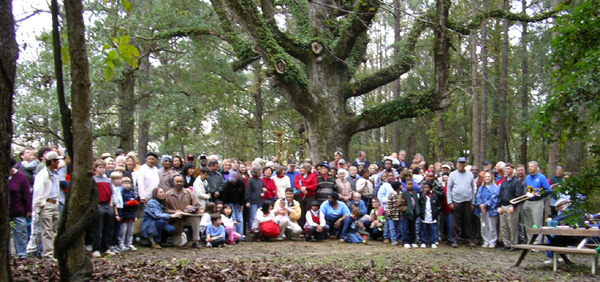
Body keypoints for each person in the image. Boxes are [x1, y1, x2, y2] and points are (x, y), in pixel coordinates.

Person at [164, 175, 202, 248]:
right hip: (175, 220)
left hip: (187, 217)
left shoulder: (188, 192)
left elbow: (197, 205)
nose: (179, 183)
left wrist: (191, 208)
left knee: (196, 218)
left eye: (181, 181)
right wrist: (174, 212)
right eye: (177, 181)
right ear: (173, 182)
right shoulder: (168, 194)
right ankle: (183, 234)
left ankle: (195, 241)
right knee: (176, 244)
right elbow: (165, 209)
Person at [446, 157, 477, 248]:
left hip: (467, 201)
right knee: (455, 222)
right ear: (457, 164)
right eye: (460, 163)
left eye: (463, 163)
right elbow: (449, 189)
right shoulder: (453, 174)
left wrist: (473, 203)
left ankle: (469, 239)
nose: (462, 165)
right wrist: (450, 202)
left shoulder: (470, 174)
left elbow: (473, 189)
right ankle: (455, 239)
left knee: (468, 221)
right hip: (456, 201)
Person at [91, 159, 118, 257]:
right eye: (100, 168)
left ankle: (106, 247)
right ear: (96, 168)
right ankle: (96, 248)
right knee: (98, 228)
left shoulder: (107, 181)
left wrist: (110, 205)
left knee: (109, 228)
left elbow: (111, 194)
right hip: (99, 205)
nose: (102, 170)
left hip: (107, 205)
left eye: (103, 168)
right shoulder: (93, 180)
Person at [523, 161, 552, 245]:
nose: (530, 168)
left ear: (536, 167)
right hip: (528, 201)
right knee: (528, 223)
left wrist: (540, 195)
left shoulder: (542, 177)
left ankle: (537, 242)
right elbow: (526, 188)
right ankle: (530, 241)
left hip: (537, 202)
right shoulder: (528, 177)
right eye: (529, 166)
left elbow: (548, 190)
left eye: (532, 166)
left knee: (536, 223)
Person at [9, 157, 32, 258]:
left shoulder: (20, 176)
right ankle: (7, 255)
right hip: (4, 213)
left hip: (18, 211)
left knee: (20, 233)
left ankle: (21, 254)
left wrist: (28, 210)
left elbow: (26, 194)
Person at [497, 163, 521, 251]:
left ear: (512, 169)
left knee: (512, 226)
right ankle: (506, 243)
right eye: (505, 169)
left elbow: (518, 195)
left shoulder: (516, 181)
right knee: (504, 226)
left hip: (511, 206)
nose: (506, 170)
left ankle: (514, 244)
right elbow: (500, 194)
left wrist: (514, 206)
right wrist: (499, 206)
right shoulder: (504, 182)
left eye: (508, 169)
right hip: (503, 206)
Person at [475, 171, 499, 248]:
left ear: (491, 178)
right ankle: (486, 240)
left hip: (491, 210)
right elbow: (478, 196)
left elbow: (494, 198)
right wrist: (481, 205)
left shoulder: (495, 187)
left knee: (492, 226)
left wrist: (486, 205)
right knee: (484, 226)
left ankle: (492, 241)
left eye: (488, 177)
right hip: (483, 210)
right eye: (486, 177)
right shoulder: (481, 188)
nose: (487, 178)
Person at [221, 171, 245, 236]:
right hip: (230, 202)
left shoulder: (241, 183)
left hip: (238, 202)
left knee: (239, 218)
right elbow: (224, 195)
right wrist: (227, 205)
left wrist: (241, 204)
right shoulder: (227, 184)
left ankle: (240, 234)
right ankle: (233, 234)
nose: (232, 181)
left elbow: (243, 194)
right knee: (233, 217)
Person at [294, 162, 318, 228]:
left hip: (310, 196)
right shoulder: (298, 176)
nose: (301, 169)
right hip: (300, 196)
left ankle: (309, 226)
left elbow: (314, 186)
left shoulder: (313, 176)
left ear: (307, 169)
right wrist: (301, 188)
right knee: (301, 211)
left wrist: (306, 187)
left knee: (309, 211)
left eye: (303, 168)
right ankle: (301, 226)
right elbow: (296, 184)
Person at [137, 152, 160, 218]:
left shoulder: (156, 169)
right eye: (149, 159)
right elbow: (140, 183)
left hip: (154, 196)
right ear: (146, 160)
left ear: (155, 161)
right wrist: (142, 196)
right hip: (146, 196)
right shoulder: (142, 168)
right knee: (145, 214)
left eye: (152, 159)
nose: (150, 160)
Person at [118, 177, 138, 252]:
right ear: (122, 184)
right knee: (123, 230)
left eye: (128, 183)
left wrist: (135, 202)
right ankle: (121, 243)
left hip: (131, 214)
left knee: (130, 230)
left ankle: (129, 243)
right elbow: (120, 203)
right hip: (124, 214)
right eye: (125, 183)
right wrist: (127, 203)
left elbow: (136, 203)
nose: (127, 185)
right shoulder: (121, 192)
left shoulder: (132, 192)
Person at [419, 183, 440, 248]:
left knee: (433, 229)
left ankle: (433, 242)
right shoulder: (422, 196)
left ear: (431, 189)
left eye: (427, 187)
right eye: (425, 187)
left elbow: (438, 205)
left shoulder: (434, 196)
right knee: (424, 229)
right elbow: (420, 205)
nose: (426, 189)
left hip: (432, 216)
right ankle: (424, 242)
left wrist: (436, 211)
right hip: (424, 216)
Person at [400, 179, 420, 248]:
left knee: (413, 228)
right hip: (406, 214)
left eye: (411, 184)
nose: (410, 186)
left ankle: (412, 241)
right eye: (408, 184)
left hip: (413, 213)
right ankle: (405, 241)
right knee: (405, 228)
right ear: (406, 185)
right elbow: (400, 204)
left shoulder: (414, 193)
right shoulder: (404, 194)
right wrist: (407, 209)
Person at [246, 166, 265, 232]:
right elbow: (248, 191)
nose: (261, 172)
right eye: (260, 171)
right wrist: (248, 201)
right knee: (253, 216)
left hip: (260, 200)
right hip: (253, 201)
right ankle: (251, 228)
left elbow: (263, 188)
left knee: (259, 215)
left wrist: (263, 192)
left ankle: (258, 228)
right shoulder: (250, 180)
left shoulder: (261, 180)